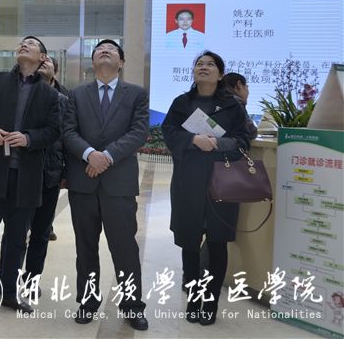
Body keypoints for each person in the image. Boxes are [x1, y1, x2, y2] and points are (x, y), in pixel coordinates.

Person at [0, 36, 60, 314]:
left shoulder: (49, 95)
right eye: (22, 43)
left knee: (17, 240)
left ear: (42, 57)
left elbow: (53, 131)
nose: (24, 45)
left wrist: (29, 138)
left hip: (27, 179)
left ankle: (8, 292)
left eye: (31, 44)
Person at [63, 39, 150, 330]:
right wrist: (90, 154)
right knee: (85, 247)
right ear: (93, 62)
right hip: (83, 183)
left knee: (125, 248)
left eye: (112, 50)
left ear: (121, 63)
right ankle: (88, 302)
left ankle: (132, 305)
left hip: (119, 184)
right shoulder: (77, 94)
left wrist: (107, 157)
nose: (105, 51)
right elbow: (68, 131)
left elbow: (138, 132)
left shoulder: (136, 94)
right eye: (100, 49)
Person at [161, 50, 252, 326]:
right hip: (187, 182)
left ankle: (210, 303)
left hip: (221, 182)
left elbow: (243, 140)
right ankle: (193, 299)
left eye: (210, 64)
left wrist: (216, 143)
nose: (204, 67)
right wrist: (192, 140)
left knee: (217, 243)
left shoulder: (232, 106)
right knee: (189, 242)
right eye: (199, 64)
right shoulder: (182, 103)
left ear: (220, 74)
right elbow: (169, 133)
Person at [8, 54, 68, 293]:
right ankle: (8, 279)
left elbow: (68, 137)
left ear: (56, 71)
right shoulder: (19, 92)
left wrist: (65, 172)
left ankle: (31, 280)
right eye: (40, 61)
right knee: (15, 231)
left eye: (48, 61)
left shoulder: (65, 99)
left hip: (49, 174)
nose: (43, 63)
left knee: (41, 232)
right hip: (20, 172)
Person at [222, 72, 258, 140]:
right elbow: (251, 131)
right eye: (247, 86)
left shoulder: (216, 99)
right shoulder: (235, 102)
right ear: (239, 84)